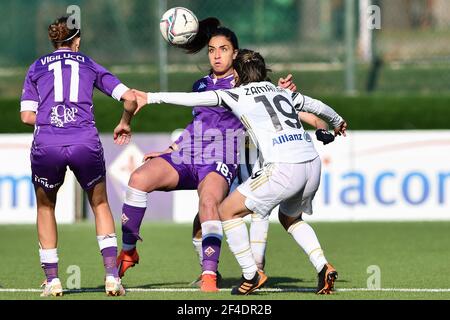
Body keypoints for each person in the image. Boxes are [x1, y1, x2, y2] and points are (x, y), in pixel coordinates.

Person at [132, 48, 347, 295]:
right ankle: (323, 267)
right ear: (264, 70)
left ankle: (251, 274)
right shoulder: (282, 93)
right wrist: (338, 122)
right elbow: (317, 106)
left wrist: (150, 97)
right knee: (290, 218)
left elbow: (193, 99)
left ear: (238, 74)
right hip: (312, 163)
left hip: (283, 167)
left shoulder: (237, 94)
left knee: (226, 211)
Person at [116, 18, 296, 292]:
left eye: (223, 49)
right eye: (212, 50)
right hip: (188, 154)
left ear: (235, 53)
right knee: (138, 178)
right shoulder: (200, 85)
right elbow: (195, 124)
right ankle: (129, 250)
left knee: (208, 204)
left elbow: (272, 102)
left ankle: (209, 276)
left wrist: (285, 92)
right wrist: (172, 149)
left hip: (221, 157)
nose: (216, 55)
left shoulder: (244, 84)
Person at [20, 16, 137, 297]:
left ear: (53, 41)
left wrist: (53, 121)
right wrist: (125, 122)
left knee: (46, 208)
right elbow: (130, 97)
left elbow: (26, 117)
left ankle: (53, 280)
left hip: (47, 143)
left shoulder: (36, 67)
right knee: (99, 204)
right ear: (77, 41)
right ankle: (111, 278)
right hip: (85, 141)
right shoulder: (88, 63)